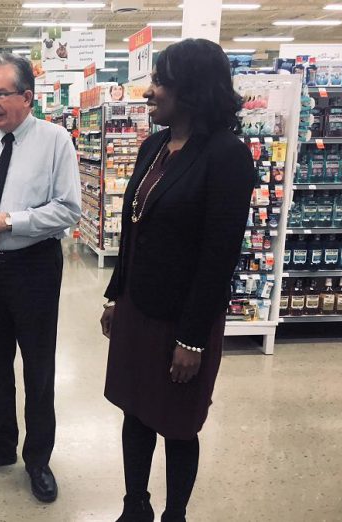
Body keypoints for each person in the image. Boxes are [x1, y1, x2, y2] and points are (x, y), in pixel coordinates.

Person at [99, 39, 256, 522]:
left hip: (182, 319)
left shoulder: (227, 155)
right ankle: (134, 506)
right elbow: (134, 227)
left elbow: (218, 256)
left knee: (179, 425)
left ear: (192, 88)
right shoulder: (152, 145)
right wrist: (114, 294)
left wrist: (191, 338)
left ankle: (175, 515)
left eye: (161, 81)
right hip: (137, 306)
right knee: (135, 410)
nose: (150, 92)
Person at [0, 53, 81, 504]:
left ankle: (38, 458)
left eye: (2, 93)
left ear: (27, 97)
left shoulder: (55, 140)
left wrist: (9, 222)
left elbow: (67, 208)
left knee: (38, 366)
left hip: (35, 267)